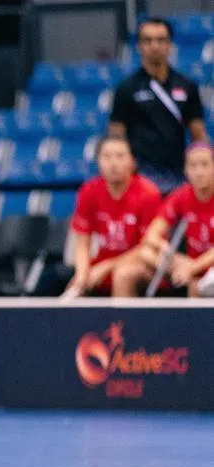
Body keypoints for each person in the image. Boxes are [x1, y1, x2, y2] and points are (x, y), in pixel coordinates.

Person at [109, 17, 208, 194]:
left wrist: (203, 167)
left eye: (161, 40)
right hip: (140, 180)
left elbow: (198, 135)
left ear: (170, 45)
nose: (154, 46)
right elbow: (116, 136)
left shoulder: (187, 86)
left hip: (179, 178)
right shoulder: (126, 88)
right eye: (148, 40)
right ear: (139, 46)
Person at [61, 135, 162, 298]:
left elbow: (147, 248)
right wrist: (81, 276)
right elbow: (83, 244)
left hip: (142, 264)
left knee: (122, 275)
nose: (113, 163)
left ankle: (121, 316)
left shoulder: (148, 193)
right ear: (98, 161)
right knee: (74, 288)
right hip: (101, 263)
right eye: (107, 157)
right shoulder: (88, 191)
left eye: (120, 156)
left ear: (133, 162)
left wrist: (108, 267)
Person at [141, 142, 214, 297]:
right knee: (146, 253)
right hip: (189, 263)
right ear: (185, 170)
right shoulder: (181, 195)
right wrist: (163, 246)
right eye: (193, 166)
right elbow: (151, 235)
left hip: (207, 264)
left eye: (205, 165)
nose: (199, 172)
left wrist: (193, 267)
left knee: (196, 285)